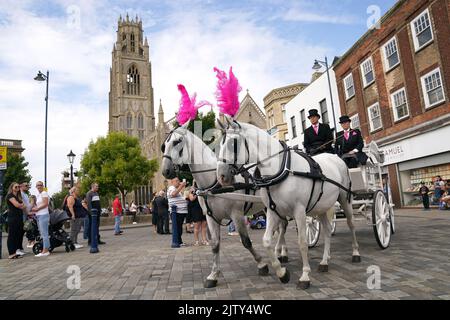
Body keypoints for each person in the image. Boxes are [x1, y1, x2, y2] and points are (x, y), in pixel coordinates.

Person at [5, 183, 26, 259]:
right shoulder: (10, 195)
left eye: (18, 186)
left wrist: (20, 205)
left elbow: (24, 206)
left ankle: (15, 252)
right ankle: (11, 253)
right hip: (13, 218)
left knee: (17, 235)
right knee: (12, 235)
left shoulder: (18, 197)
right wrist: (21, 205)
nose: (17, 188)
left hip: (19, 217)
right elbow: (17, 205)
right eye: (16, 187)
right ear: (12, 188)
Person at [31, 181, 51, 257]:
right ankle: (46, 249)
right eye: (37, 185)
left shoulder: (44, 193)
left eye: (40, 185)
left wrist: (37, 209)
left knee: (44, 233)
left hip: (43, 215)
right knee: (43, 233)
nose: (38, 186)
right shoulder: (38, 195)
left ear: (43, 186)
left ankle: (45, 251)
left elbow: (45, 204)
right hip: (39, 215)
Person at [167, 177, 188, 248]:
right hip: (177, 212)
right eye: (176, 181)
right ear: (172, 182)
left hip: (181, 211)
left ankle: (179, 241)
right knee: (177, 227)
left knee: (179, 227)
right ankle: (178, 242)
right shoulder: (171, 188)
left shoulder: (178, 189)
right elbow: (173, 194)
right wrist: (181, 186)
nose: (178, 182)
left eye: (178, 180)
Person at [20, 182, 32, 249]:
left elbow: (28, 205)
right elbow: (23, 205)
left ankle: (21, 247)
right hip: (23, 214)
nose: (28, 186)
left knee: (26, 230)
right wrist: (27, 212)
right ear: (21, 186)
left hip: (26, 214)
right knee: (21, 231)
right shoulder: (21, 194)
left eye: (28, 185)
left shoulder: (26, 195)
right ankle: (19, 248)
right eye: (26, 185)